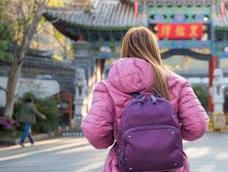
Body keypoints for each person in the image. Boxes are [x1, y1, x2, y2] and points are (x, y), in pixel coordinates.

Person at [82, 26, 209, 172]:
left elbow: (95, 132)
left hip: (124, 165)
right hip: (169, 166)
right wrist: (172, 135)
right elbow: (198, 125)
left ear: (126, 49)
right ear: (154, 49)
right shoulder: (177, 84)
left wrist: (117, 138)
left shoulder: (108, 87)